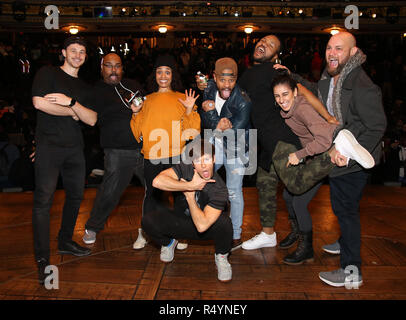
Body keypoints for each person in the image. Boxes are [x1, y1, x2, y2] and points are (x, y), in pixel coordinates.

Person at [198, 35, 337, 251]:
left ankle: (333, 155)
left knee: (295, 185)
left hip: (282, 140)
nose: (263, 44)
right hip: (264, 143)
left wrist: (328, 117)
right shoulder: (248, 74)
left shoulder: (275, 71)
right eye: (262, 40)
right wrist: (206, 85)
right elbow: (225, 88)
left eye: (270, 45)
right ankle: (269, 233)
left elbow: (305, 93)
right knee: (265, 186)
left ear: (276, 55)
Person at [284, 31, 386, 287]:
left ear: (353, 53)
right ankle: (343, 243)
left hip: (353, 158)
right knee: (342, 208)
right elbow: (319, 100)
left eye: (339, 49)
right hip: (336, 151)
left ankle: (352, 272)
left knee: (346, 211)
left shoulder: (362, 85)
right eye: (329, 47)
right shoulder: (329, 79)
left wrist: (348, 156)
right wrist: (291, 77)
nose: (332, 53)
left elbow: (377, 126)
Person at [269, 71, 375, 265]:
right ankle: (296, 232)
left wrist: (299, 155)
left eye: (285, 94)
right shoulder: (288, 110)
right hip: (317, 155)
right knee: (287, 196)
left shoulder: (301, 109)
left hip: (325, 151)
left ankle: (306, 248)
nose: (281, 99)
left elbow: (323, 139)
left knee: (299, 203)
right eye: (277, 96)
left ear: (294, 92)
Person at [31, 36, 97, 285]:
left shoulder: (84, 87)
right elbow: (39, 103)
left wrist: (71, 103)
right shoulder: (47, 73)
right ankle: (42, 259)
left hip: (75, 150)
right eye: (73, 50)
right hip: (49, 147)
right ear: (63, 52)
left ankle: (65, 241)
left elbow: (91, 119)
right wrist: (74, 111)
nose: (78, 55)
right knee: (43, 202)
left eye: (82, 51)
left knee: (76, 196)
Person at [130, 55, 201, 250]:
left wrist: (188, 110)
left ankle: (181, 233)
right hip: (152, 155)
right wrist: (136, 113)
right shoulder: (146, 100)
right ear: (154, 75)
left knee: (179, 197)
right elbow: (137, 134)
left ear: (173, 75)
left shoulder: (182, 98)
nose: (163, 75)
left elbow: (192, 131)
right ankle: (145, 232)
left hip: (176, 155)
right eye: (159, 71)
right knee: (151, 196)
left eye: (167, 72)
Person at [142, 138, 233, 282]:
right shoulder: (185, 168)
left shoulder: (219, 188)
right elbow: (157, 181)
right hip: (181, 224)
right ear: (192, 163)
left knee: (225, 223)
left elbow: (202, 226)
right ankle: (169, 243)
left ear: (214, 159)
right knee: (147, 220)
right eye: (198, 160)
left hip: (205, 229)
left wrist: (190, 197)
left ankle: (221, 256)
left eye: (207, 159)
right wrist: (189, 186)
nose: (203, 165)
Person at [81, 53, 144, 245]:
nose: (114, 70)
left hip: (145, 148)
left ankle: (165, 228)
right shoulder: (94, 91)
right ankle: (92, 227)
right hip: (117, 151)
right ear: (102, 69)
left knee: (157, 188)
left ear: (122, 68)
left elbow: (147, 108)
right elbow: (83, 117)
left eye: (117, 66)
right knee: (110, 192)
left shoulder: (133, 85)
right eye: (109, 66)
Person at [199, 57, 251, 250]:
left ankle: (235, 233)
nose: (227, 84)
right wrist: (211, 117)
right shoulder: (210, 88)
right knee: (201, 178)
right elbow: (205, 119)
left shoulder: (244, 101)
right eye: (223, 79)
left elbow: (232, 132)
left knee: (234, 192)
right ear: (215, 77)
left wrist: (211, 113)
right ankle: (202, 222)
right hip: (216, 140)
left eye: (232, 79)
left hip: (237, 145)